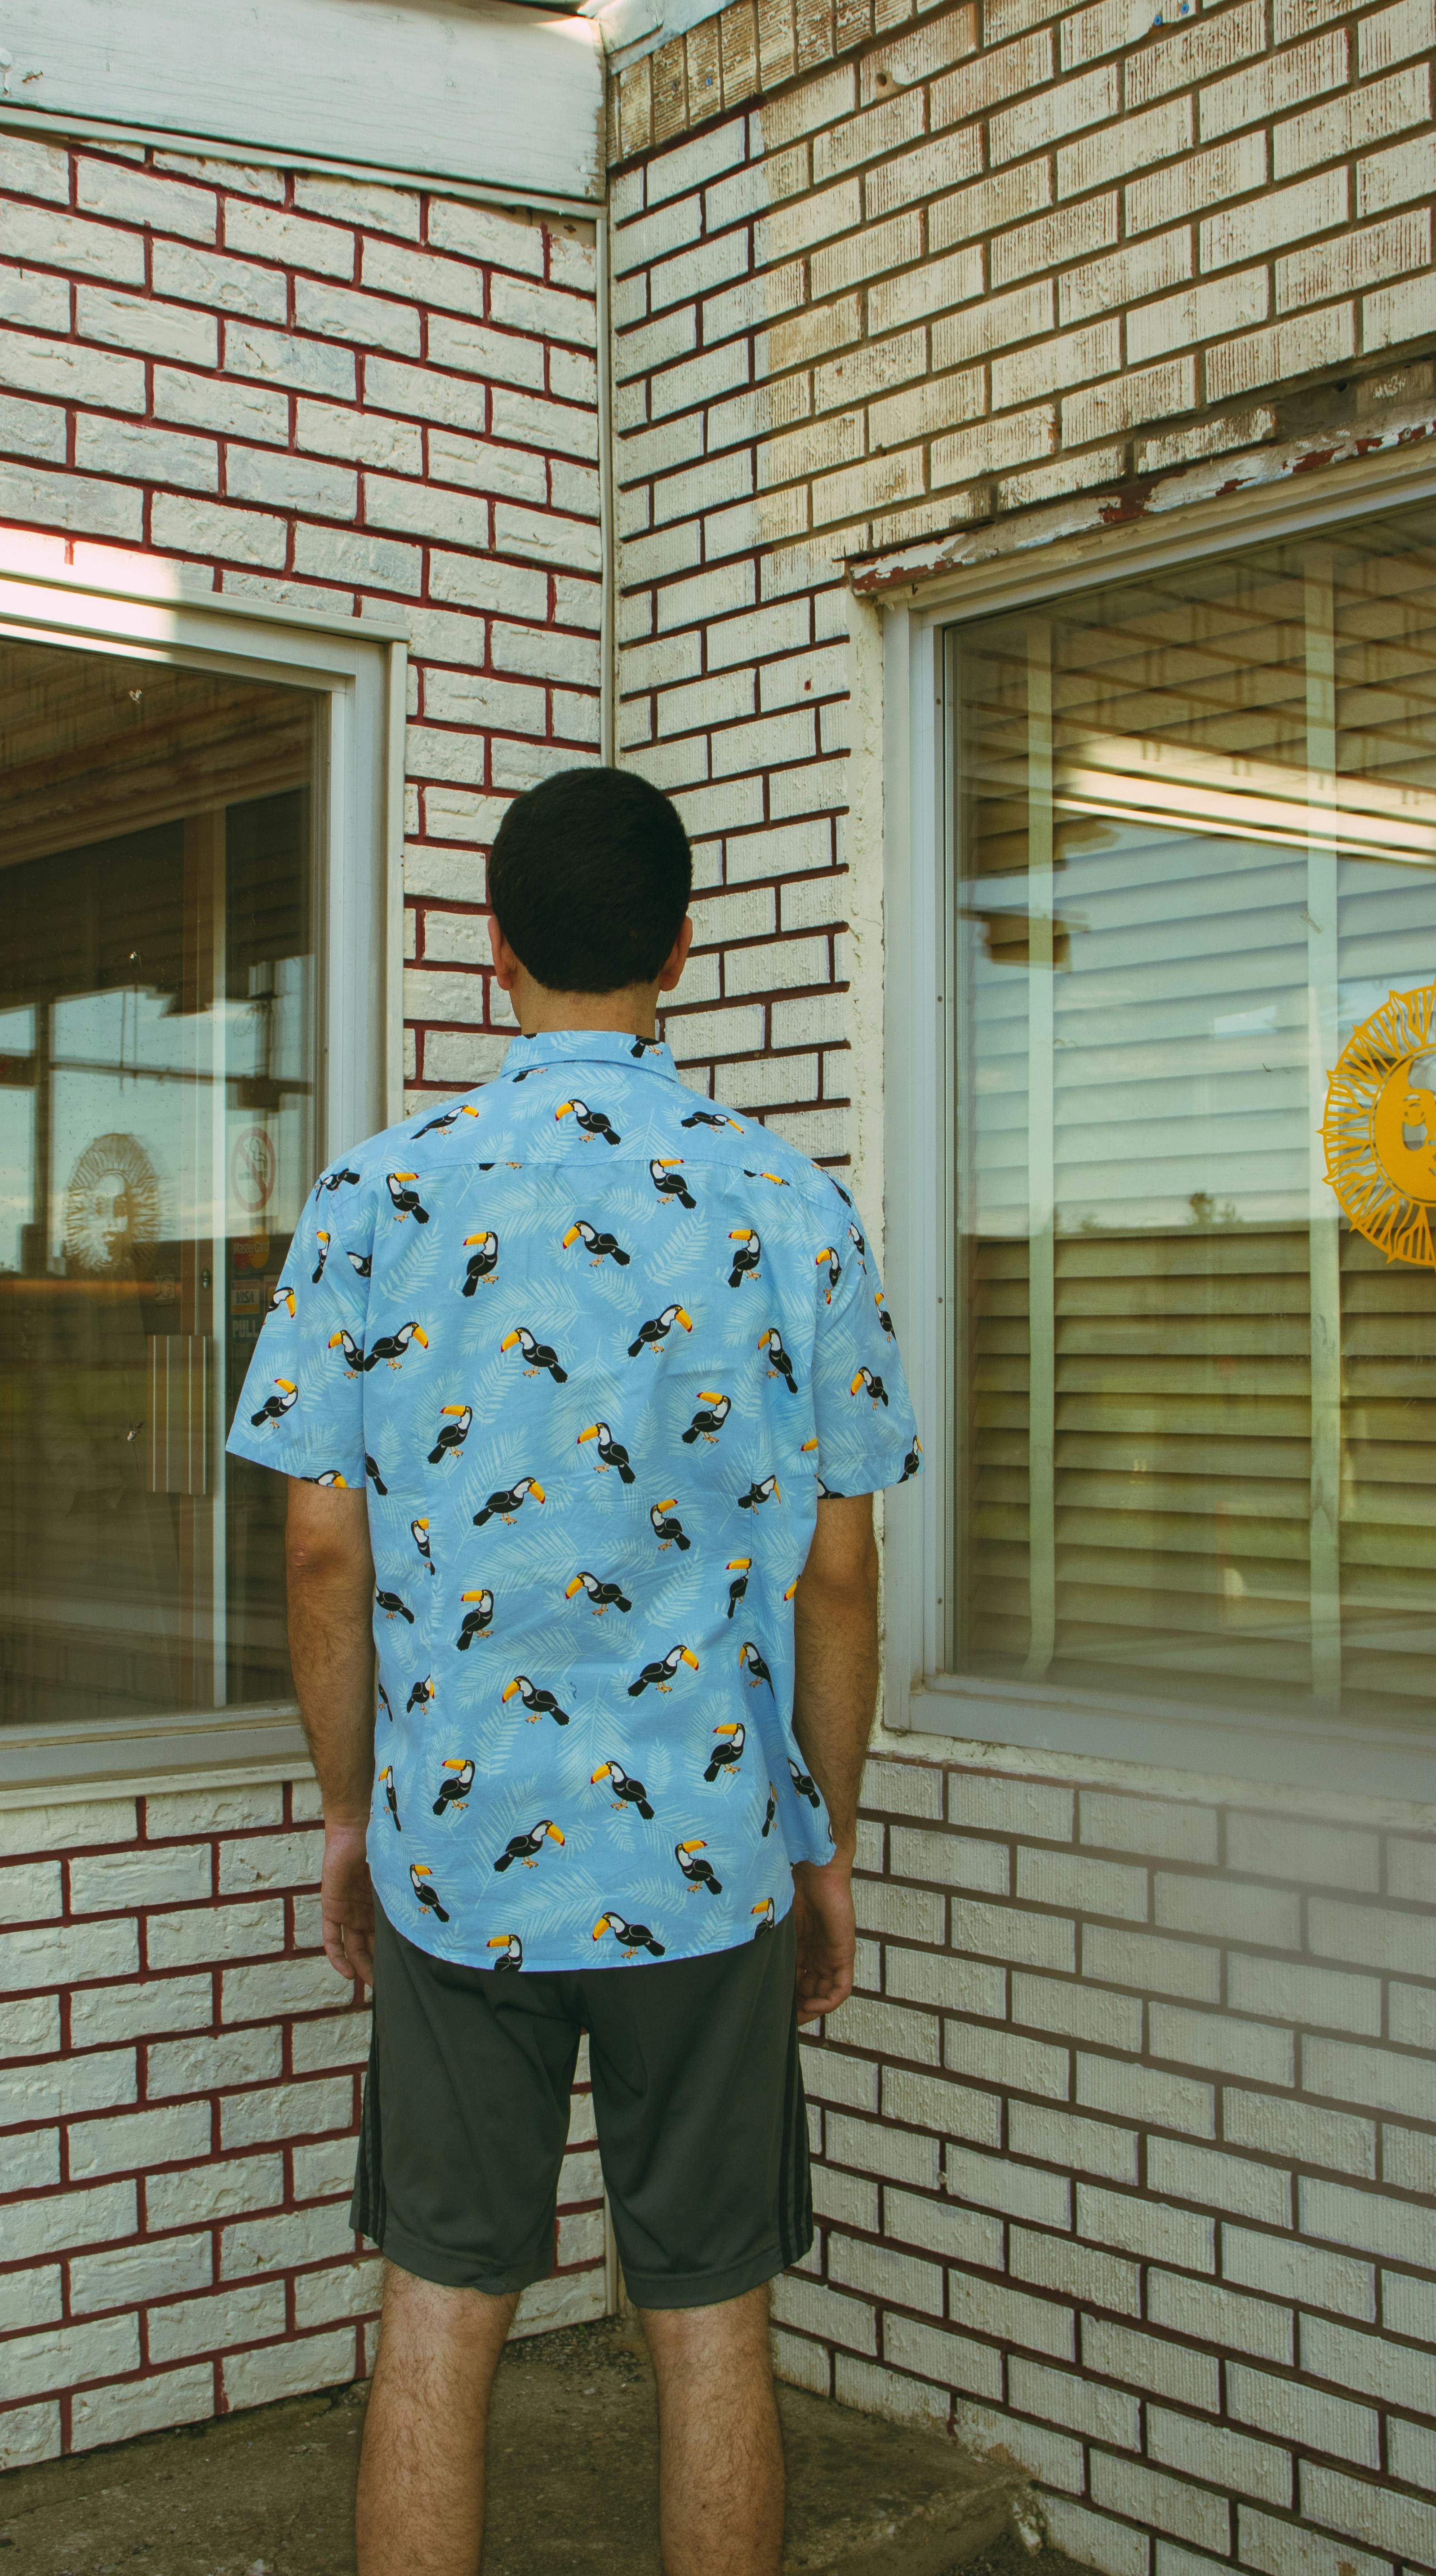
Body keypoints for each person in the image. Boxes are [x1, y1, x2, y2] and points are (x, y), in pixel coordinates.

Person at [229, 767, 916, 2576]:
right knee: (711, 2320)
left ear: (497, 949)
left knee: (438, 2311)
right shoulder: (792, 1205)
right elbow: (842, 1573)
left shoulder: (377, 1196)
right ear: (681, 948)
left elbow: (320, 1551)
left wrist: (350, 1816)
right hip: (711, 1853)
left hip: (461, 1860)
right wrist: (826, 1840)